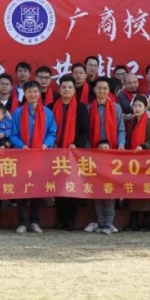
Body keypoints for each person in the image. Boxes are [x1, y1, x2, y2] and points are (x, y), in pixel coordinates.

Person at [10, 81, 57, 234]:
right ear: (25, 94)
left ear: (39, 93)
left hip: (41, 157)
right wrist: (20, 145)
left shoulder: (48, 113)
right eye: (29, 92)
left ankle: (35, 221)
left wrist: (46, 144)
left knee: (38, 189)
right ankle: (23, 222)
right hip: (23, 157)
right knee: (22, 189)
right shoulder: (18, 113)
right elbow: (13, 134)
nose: (32, 94)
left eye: (35, 92)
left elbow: (52, 133)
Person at [51, 76, 90, 231]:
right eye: (64, 87)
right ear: (59, 89)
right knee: (58, 185)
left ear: (74, 90)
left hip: (74, 153)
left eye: (70, 87)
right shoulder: (52, 106)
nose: (66, 90)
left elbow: (85, 130)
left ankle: (71, 220)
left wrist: (77, 144)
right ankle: (61, 219)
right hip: (56, 152)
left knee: (72, 185)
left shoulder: (81, 108)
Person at [87, 78, 125, 235]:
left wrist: (121, 144)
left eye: (105, 88)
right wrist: (87, 151)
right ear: (94, 90)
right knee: (96, 189)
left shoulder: (116, 108)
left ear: (109, 91)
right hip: (94, 156)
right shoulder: (89, 108)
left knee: (110, 190)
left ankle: (109, 222)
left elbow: (121, 128)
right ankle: (100, 222)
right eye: (99, 88)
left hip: (112, 155)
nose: (102, 91)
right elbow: (87, 131)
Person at [124, 95, 150, 231]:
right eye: (135, 106)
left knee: (144, 191)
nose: (137, 109)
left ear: (145, 108)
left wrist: (143, 146)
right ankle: (133, 221)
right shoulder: (132, 122)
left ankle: (146, 221)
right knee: (132, 190)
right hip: (132, 162)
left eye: (140, 106)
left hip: (145, 162)